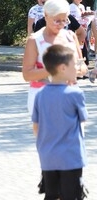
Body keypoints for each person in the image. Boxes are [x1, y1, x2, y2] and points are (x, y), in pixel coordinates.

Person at [32, 44, 88, 200]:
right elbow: (82, 121)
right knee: (72, 195)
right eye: (74, 65)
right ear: (63, 68)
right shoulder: (75, 94)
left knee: (51, 194)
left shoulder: (40, 94)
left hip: (48, 156)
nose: (77, 69)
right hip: (71, 157)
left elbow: (36, 127)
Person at [22, 0, 86, 115]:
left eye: (65, 20)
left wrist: (76, 70)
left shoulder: (70, 36)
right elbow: (27, 75)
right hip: (43, 95)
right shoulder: (35, 40)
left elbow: (82, 66)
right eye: (57, 20)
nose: (61, 24)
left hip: (70, 94)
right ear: (46, 15)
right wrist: (54, 70)